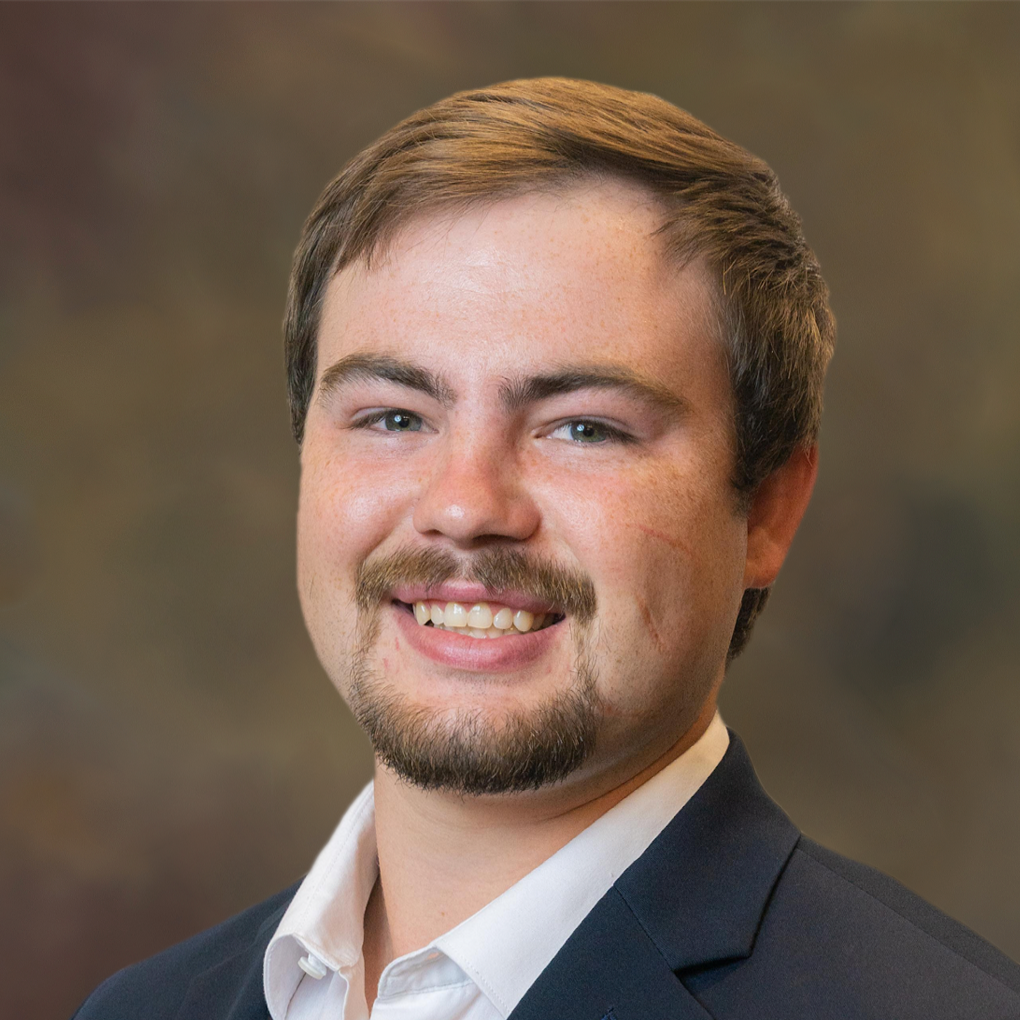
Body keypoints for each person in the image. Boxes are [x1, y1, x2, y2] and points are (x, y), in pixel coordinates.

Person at [73, 78, 1020, 1020]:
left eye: (584, 429)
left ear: (768, 509)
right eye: (395, 415)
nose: (463, 506)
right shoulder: (142, 1008)